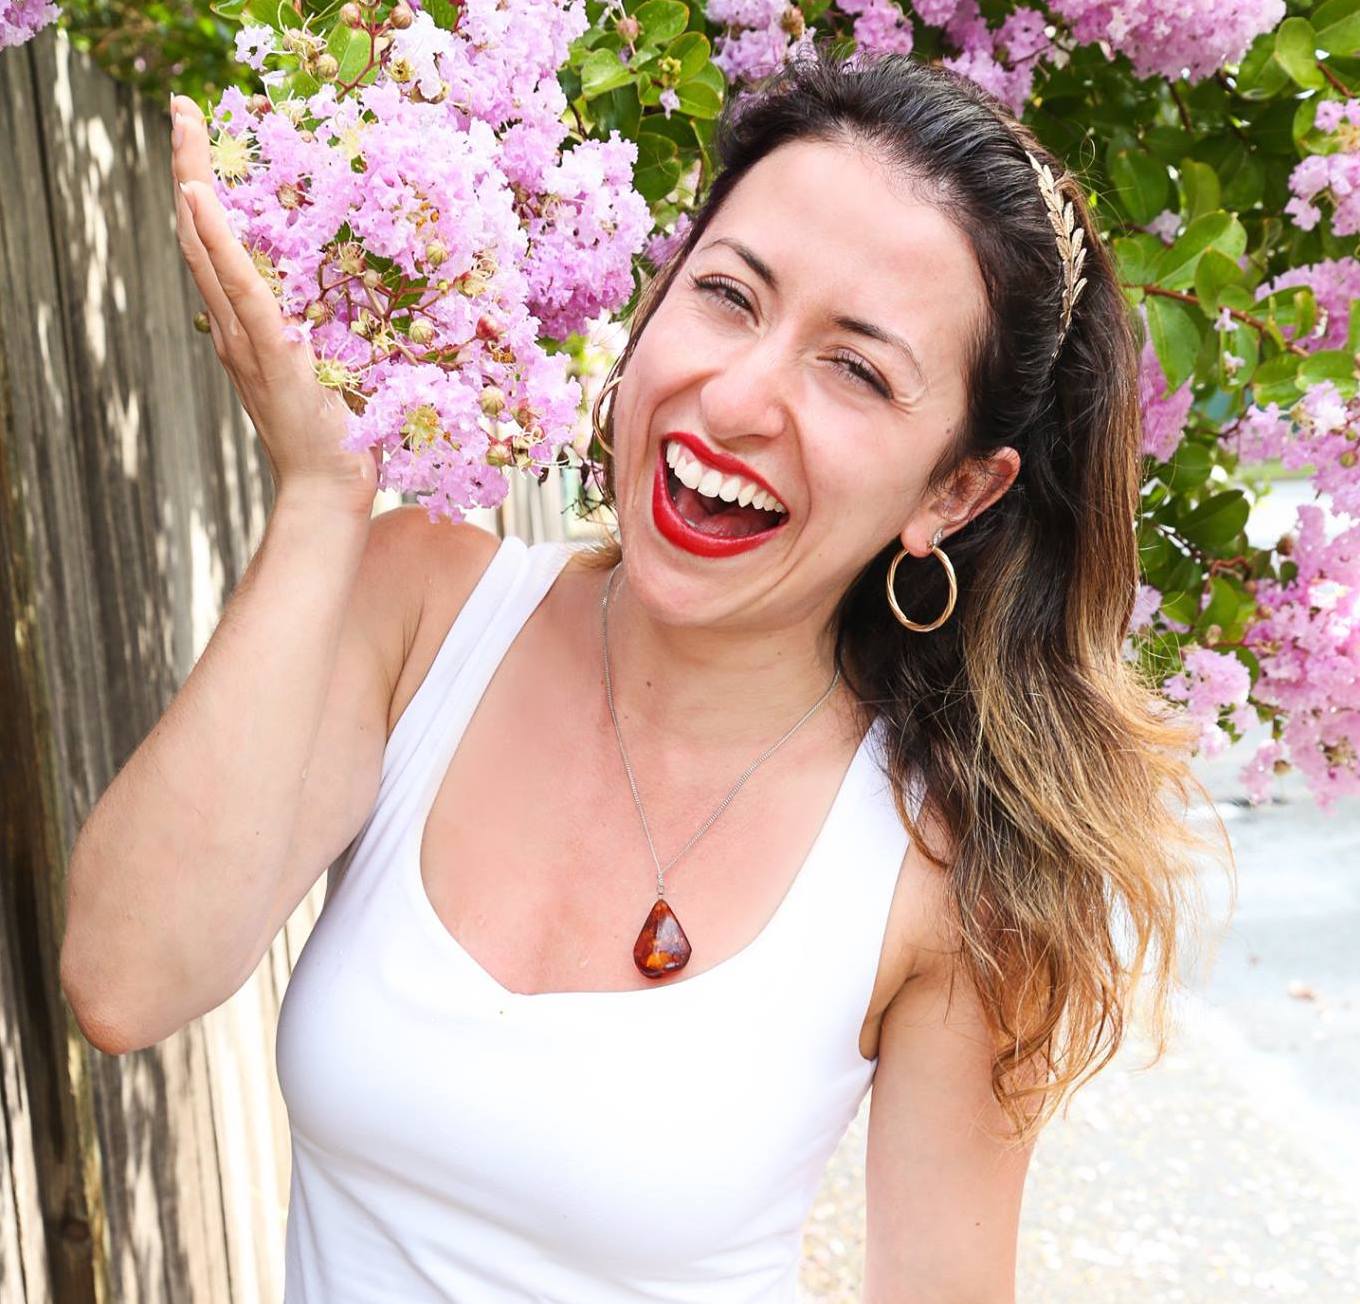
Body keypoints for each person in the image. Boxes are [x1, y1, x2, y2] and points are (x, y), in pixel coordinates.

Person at [61, 39, 1231, 1304]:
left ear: (952, 490)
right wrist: (317, 501)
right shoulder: (417, 611)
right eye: (728, 295)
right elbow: (127, 978)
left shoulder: (939, 873)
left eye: (855, 368)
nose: (737, 396)